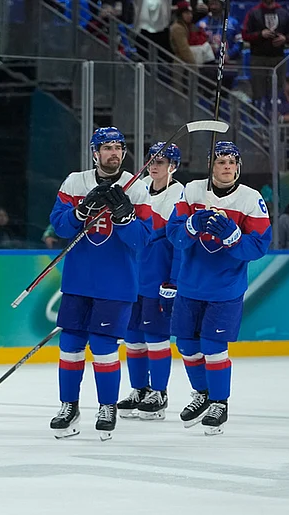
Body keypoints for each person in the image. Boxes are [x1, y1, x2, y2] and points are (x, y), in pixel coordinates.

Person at [48, 127, 152, 441]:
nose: (114, 153)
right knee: (69, 347)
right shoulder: (75, 181)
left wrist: (124, 217)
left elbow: (143, 240)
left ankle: (107, 407)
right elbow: (59, 225)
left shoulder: (136, 187)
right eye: (107, 147)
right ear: (95, 152)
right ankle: (69, 406)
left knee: (105, 348)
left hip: (116, 284)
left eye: (119, 147)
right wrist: (80, 212)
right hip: (78, 282)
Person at [167, 141, 271, 435]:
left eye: (231, 162)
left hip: (225, 288)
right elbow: (174, 234)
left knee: (213, 347)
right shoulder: (192, 191)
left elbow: (260, 245)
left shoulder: (250, 199)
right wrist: (190, 225)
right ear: (210, 165)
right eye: (220, 161)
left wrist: (234, 237)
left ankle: (219, 402)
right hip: (190, 285)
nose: (227, 167)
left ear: (238, 166)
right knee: (187, 345)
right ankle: (202, 394)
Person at [117, 142, 183, 420]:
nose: (154, 165)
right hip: (132, 276)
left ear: (173, 166)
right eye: (152, 160)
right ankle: (139, 389)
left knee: (156, 337)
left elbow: (171, 238)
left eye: (162, 161)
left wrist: (173, 280)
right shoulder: (138, 187)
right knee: (132, 338)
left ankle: (159, 391)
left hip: (158, 277)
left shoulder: (179, 194)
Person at [242, 0, 289, 102]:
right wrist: (260, 34)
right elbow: (245, 35)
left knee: (278, 94)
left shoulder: (284, 13)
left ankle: (277, 116)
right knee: (259, 93)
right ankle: (259, 116)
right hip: (258, 59)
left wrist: (285, 38)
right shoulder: (253, 13)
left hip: (278, 59)